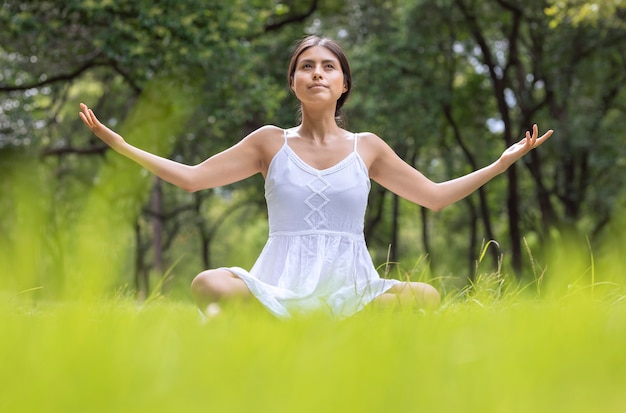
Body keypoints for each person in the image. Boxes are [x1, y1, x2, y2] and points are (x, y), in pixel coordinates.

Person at [79, 35, 552, 319]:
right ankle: (290, 316)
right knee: (208, 282)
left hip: (351, 288)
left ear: (344, 83)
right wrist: (121, 144)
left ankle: (289, 322)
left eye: (329, 67)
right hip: (279, 284)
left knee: (424, 296)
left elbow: (434, 197)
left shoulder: (367, 147)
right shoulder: (269, 142)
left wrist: (500, 162)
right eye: (306, 66)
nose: (317, 73)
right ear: (294, 82)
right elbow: (190, 179)